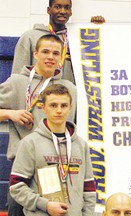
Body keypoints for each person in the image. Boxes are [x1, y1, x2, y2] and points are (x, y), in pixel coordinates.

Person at [0, 34, 77, 216]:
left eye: (55, 53)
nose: (50, 57)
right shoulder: (17, 82)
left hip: (56, 168)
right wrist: (10, 113)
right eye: (45, 52)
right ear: (35, 53)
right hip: (22, 167)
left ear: (61, 57)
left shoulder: (69, 89)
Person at [9, 84, 96, 216]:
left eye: (64, 105)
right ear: (43, 107)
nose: (59, 110)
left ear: (70, 108)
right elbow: (16, 186)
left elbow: (88, 189)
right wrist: (45, 205)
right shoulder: (30, 143)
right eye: (53, 105)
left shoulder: (81, 145)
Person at [11, 0, 105, 84]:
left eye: (67, 8)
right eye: (58, 7)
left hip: (66, 98)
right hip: (36, 98)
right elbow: (18, 75)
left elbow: (94, 65)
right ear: (49, 10)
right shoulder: (30, 37)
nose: (63, 11)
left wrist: (97, 29)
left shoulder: (77, 39)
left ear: (71, 12)